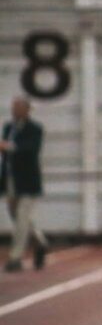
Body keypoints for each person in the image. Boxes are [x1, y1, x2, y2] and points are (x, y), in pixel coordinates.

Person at [1, 96, 48, 272]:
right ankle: (40, 242)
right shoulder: (8, 128)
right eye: (14, 107)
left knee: (22, 217)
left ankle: (15, 257)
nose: (15, 111)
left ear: (27, 110)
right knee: (18, 216)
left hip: (28, 181)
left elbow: (31, 150)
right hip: (11, 179)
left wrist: (8, 147)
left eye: (18, 108)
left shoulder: (35, 129)